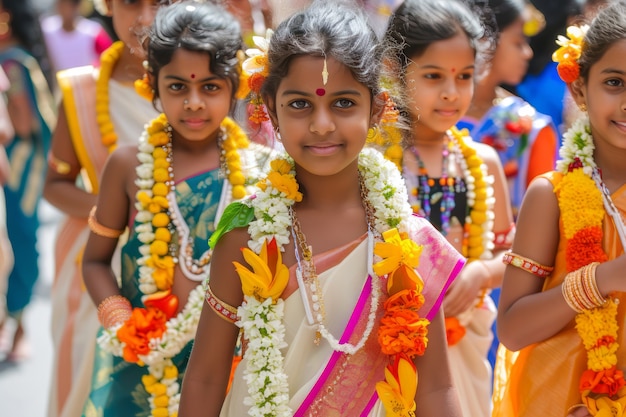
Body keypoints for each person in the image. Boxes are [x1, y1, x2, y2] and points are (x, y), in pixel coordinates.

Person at [178, 2, 465, 416]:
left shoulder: (405, 242)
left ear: (378, 109)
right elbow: (205, 376)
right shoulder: (246, 232)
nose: (323, 124)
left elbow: (436, 388)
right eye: (300, 105)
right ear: (270, 110)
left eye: (344, 103)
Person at [80, 1, 273, 415]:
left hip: (233, 359)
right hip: (145, 358)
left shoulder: (263, 170)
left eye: (210, 86)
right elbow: (95, 261)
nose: (194, 103)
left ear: (235, 84)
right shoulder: (129, 165)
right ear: (152, 84)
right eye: (177, 87)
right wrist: (119, 320)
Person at [492, 2, 626, 416]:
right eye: (616, 82)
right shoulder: (550, 195)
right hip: (557, 399)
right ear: (580, 88)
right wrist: (603, 278)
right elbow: (513, 330)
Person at [383, 0, 515, 416]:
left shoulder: (482, 162)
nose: (451, 93)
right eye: (433, 76)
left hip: (465, 334)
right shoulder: (377, 160)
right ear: (394, 69)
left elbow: (513, 257)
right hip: (388, 338)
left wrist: (480, 273)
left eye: (464, 77)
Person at [42, 0, 162, 413]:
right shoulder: (81, 91)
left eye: (161, 3)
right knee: (86, 385)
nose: (146, 20)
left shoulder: (203, 86)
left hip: (183, 264)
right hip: (95, 263)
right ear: (108, 6)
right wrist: (116, 206)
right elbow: (55, 185)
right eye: (131, 4)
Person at [457, 0, 559, 371]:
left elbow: (546, 230)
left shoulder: (532, 128)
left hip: (507, 288)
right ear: (486, 42)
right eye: (517, 41)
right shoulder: (419, 129)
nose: (528, 52)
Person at [0, 0, 57, 361]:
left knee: (19, 241)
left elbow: (21, 124)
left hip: (19, 163)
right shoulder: (25, 59)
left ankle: (17, 324)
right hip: (30, 162)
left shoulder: (11, 63)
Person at [41, 0, 112, 75]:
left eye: (69, 5)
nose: (63, 8)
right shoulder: (46, 29)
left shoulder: (93, 31)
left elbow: (108, 60)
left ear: (77, 6)